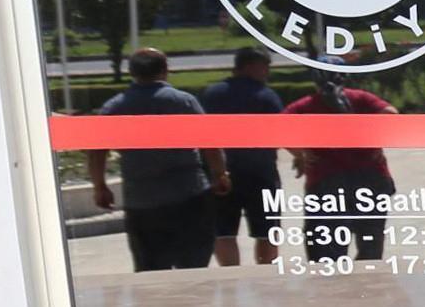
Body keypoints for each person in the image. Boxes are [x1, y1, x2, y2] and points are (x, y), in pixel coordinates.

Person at [90, 49, 228, 273]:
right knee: (193, 269)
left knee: (150, 272)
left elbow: (97, 151)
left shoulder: (114, 107)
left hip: (142, 201)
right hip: (189, 195)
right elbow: (209, 141)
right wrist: (220, 174)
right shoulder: (183, 102)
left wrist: (100, 186)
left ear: (132, 72)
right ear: (165, 70)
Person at [282, 54, 399, 263]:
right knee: (370, 244)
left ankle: (335, 281)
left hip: (326, 180)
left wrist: (300, 153)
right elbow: (391, 114)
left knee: (325, 249)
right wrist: (375, 140)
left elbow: (277, 129)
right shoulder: (361, 98)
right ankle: (366, 279)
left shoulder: (306, 106)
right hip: (371, 178)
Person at [200, 46, 283, 266]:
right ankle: (265, 274)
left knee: (224, 231)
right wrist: (300, 156)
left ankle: (231, 274)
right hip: (261, 173)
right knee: (267, 230)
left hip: (222, 173)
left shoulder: (212, 94)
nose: (267, 72)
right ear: (250, 66)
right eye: (265, 66)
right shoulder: (265, 95)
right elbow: (283, 130)